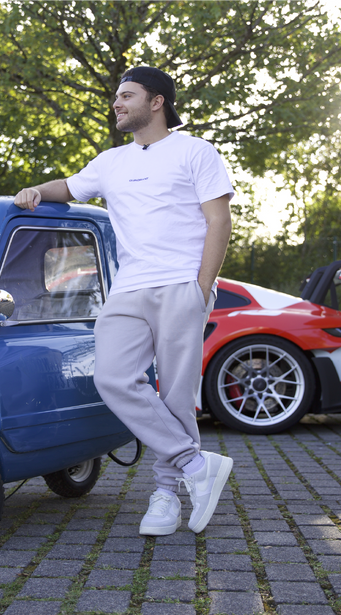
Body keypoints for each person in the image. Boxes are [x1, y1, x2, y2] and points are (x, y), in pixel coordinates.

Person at [14, 66, 235, 535]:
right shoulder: (110, 162)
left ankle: (165, 495)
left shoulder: (195, 151)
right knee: (112, 377)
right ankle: (197, 467)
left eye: (127, 95)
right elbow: (69, 187)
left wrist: (200, 287)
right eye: (117, 96)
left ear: (157, 102)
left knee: (176, 394)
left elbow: (219, 221)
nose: (117, 103)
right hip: (129, 287)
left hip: (181, 284)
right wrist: (36, 191)